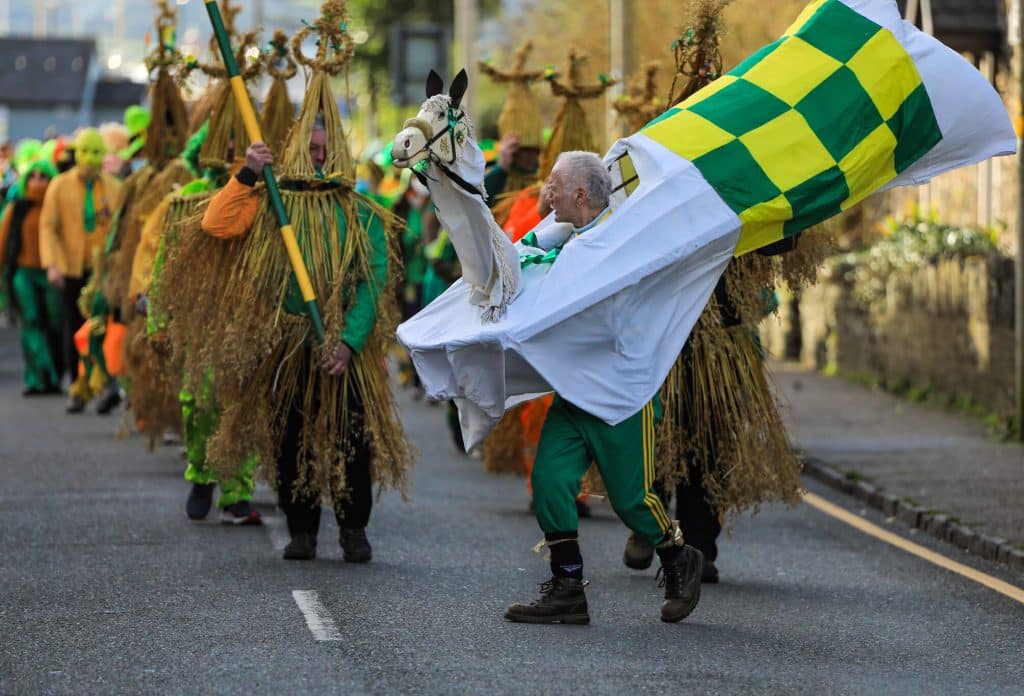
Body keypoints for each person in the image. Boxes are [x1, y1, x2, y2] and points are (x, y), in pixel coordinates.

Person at [504, 151, 703, 625]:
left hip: (619, 395)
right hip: (574, 391)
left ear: (578, 194)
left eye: (553, 185)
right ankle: (568, 587)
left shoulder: (622, 244)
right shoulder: (563, 237)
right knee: (550, 482)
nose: (545, 193)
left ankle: (678, 556)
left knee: (632, 501)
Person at [38, 128, 124, 410]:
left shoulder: (114, 187)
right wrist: (52, 264)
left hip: (103, 271)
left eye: (96, 152)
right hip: (70, 269)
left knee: (105, 328)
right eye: (85, 152)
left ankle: (106, 385)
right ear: (76, 153)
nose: (90, 159)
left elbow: (122, 229)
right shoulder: (59, 185)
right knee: (73, 327)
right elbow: (48, 227)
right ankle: (78, 387)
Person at [0, 158, 63, 395]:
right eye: (33, 177)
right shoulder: (16, 209)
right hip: (23, 273)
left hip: (50, 273)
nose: (38, 182)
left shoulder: (56, 208)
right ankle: (38, 376)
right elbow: (3, 242)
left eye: (43, 177)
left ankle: (54, 373)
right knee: (31, 320)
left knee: (55, 322)